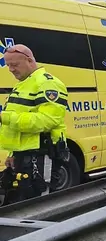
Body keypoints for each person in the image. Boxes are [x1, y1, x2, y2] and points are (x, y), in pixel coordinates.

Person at [0, 44, 69, 205]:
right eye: (8, 65)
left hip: (42, 154)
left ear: (30, 61)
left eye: (14, 65)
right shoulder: (24, 83)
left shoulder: (48, 84)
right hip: (24, 154)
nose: (10, 69)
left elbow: (48, 120)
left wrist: (6, 117)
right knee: (25, 199)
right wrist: (13, 153)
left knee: (40, 201)